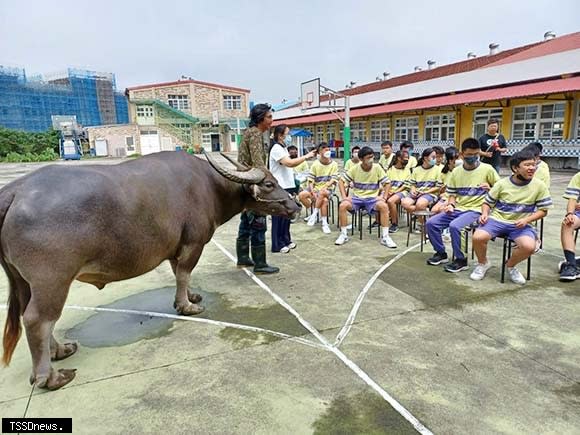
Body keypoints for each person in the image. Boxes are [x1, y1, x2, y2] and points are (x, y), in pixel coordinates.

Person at [470, 150, 553, 284]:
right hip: (497, 219)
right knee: (478, 237)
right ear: (515, 168)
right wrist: (485, 214)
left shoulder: (539, 186)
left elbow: (543, 211)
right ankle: (483, 263)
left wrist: (527, 220)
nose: (532, 168)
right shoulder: (502, 184)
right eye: (527, 165)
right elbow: (487, 203)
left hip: (521, 224)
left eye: (533, 164)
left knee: (528, 247)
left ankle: (510, 265)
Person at [425, 139, 499, 272]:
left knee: (456, 226)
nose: (473, 157)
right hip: (459, 208)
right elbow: (452, 194)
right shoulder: (456, 172)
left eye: (476, 154)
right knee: (431, 223)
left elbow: (500, 190)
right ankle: (441, 253)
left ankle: (461, 260)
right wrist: (451, 205)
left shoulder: (488, 169)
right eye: (470, 154)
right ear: (462, 154)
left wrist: (490, 188)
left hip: (477, 210)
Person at [236, 103, 279, 274]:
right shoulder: (255, 134)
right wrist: (272, 180)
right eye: (269, 117)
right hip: (253, 184)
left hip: (244, 183)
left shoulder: (251, 133)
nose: (271, 120)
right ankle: (260, 264)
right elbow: (258, 163)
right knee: (259, 222)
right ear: (261, 118)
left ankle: (243, 257)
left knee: (246, 222)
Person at [335, 146, 397, 248]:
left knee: (384, 206)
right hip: (357, 198)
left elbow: (387, 183)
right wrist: (344, 197)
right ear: (361, 159)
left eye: (372, 157)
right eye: (368, 157)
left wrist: (384, 197)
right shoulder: (355, 168)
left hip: (372, 199)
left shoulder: (377, 168)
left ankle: (385, 237)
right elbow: (341, 181)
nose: (371, 159)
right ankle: (343, 234)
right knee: (343, 205)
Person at [269, 125, 316, 253]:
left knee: (287, 216)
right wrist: (306, 156)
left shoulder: (283, 148)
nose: (290, 137)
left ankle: (286, 240)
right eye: (287, 134)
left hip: (287, 186)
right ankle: (277, 244)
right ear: (280, 135)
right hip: (279, 187)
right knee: (279, 216)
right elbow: (289, 163)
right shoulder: (276, 148)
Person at [298, 142, 338, 234]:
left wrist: (325, 186)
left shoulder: (334, 164)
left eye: (328, 149)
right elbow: (311, 180)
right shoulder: (315, 164)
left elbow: (334, 179)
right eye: (325, 149)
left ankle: (317, 216)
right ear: (319, 153)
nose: (327, 151)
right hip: (316, 189)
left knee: (323, 196)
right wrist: (312, 192)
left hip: (328, 190)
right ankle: (315, 213)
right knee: (302, 195)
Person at [401, 148, 442, 220]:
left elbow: (438, 186)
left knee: (420, 204)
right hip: (417, 193)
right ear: (425, 158)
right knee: (405, 203)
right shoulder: (417, 169)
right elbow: (412, 184)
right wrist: (413, 191)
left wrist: (425, 192)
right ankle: (425, 215)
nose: (435, 159)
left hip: (430, 194)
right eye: (433, 157)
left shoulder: (438, 169)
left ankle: (424, 225)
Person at [559, 171, 580, 281]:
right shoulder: (578, 176)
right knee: (568, 223)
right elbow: (573, 198)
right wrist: (570, 214)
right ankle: (571, 264)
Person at [385, 150, 411, 233]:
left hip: (403, 192)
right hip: (390, 191)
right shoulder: (390, 169)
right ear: (399, 158)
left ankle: (394, 224)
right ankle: (379, 221)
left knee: (391, 201)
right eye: (405, 158)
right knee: (380, 198)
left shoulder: (407, 170)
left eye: (407, 158)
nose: (406, 160)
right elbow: (386, 183)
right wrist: (388, 192)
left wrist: (395, 192)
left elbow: (405, 186)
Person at [431, 146, 460, 215]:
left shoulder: (460, 171)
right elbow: (440, 188)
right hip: (445, 196)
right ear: (450, 160)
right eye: (456, 159)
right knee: (433, 210)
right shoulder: (444, 172)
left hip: (456, 198)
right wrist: (441, 190)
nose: (458, 161)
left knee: (442, 209)